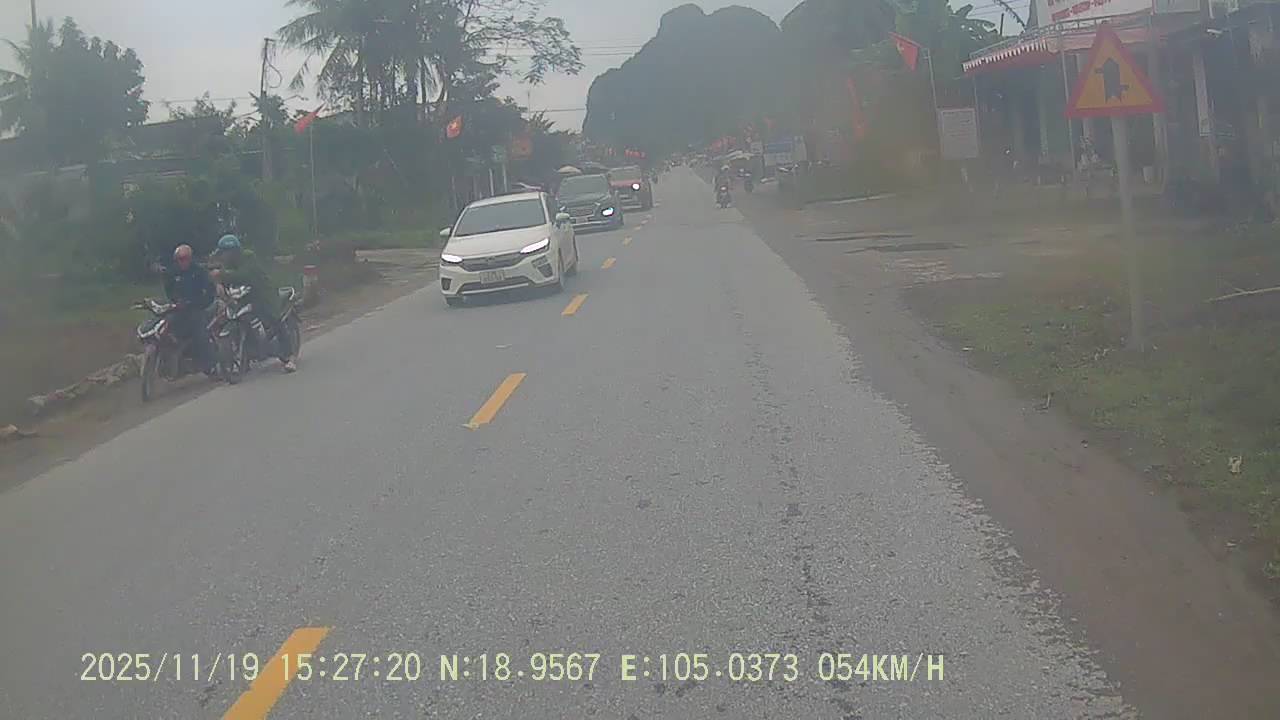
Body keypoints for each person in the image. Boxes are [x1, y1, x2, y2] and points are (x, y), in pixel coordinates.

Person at [213, 234, 297, 373]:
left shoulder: (248, 257)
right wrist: (219, 284)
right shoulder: (227, 264)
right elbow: (228, 279)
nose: (223, 256)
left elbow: (244, 275)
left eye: (226, 252)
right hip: (244, 295)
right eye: (222, 253)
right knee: (231, 317)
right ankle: (245, 357)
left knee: (274, 319)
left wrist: (222, 275)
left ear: (234, 251)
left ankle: (289, 357)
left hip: (263, 294)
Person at [163, 244, 217, 375]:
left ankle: (208, 364)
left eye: (185, 258)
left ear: (190, 258)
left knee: (200, 333)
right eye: (179, 259)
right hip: (179, 309)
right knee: (166, 326)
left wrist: (200, 303)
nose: (182, 262)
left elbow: (210, 290)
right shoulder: (172, 273)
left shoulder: (199, 271)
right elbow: (169, 290)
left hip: (197, 308)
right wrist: (176, 301)